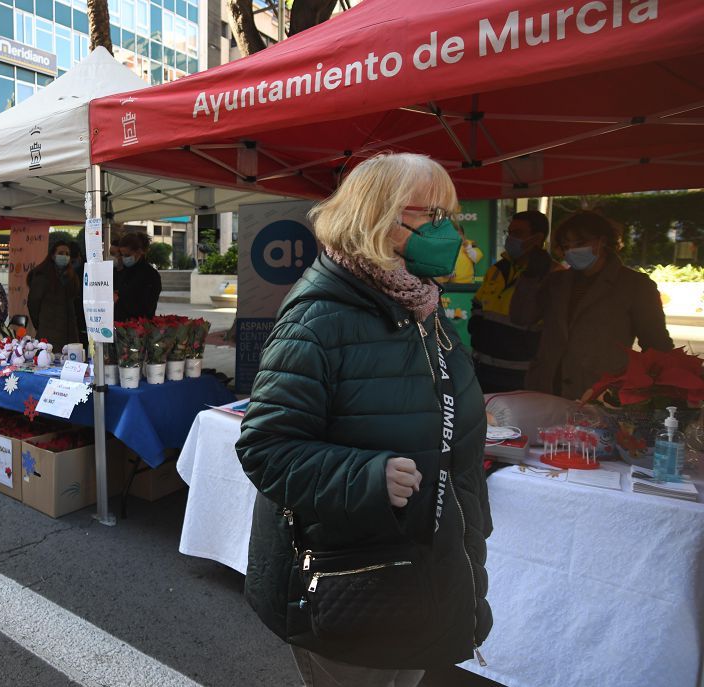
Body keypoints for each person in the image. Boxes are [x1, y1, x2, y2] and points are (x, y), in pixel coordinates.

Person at [235, 153, 492, 687]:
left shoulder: (422, 307)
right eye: (430, 215)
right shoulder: (318, 318)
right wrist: (369, 478)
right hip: (349, 579)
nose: (446, 231)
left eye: (449, 215)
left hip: (427, 572)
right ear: (378, 217)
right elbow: (266, 447)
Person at [511, 210, 673, 400]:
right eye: (566, 246)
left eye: (580, 244)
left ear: (602, 241)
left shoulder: (634, 285)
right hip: (546, 388)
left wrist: (652, 394)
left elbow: (657, 346)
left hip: (598, 393)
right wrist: (530, 278)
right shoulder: (555, 282)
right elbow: (521, 317)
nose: (572, 251)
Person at [468, 210, 558, 392]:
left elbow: (554, 328)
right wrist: (477, 331)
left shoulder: (553, 274)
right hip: (483, 366)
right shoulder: (497, 269)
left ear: (537, 237)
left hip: (522, 373)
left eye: (517, 233)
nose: (510, 238)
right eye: (509, 232)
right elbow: (478, 306)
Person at [26, 241, 80, 349]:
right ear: (52, 255)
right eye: (61, 253)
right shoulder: (42, 276)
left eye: (67, 254)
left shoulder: (72, 276)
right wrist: (41, 323)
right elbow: (33, 304)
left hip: (69, 331)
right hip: (48, 330)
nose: (64, 256)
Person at [113, 233, 161, 322]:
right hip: (120, 325)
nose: (124, 258)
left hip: (138, 328)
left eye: (127, 255)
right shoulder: (124, 271)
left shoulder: (150, 275)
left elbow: (146, 307)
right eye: (122, 255)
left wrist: (119, 300)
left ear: (139, 252)